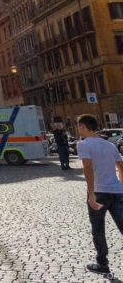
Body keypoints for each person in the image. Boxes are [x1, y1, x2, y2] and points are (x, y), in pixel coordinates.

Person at [77, 113, 123, 276]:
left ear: (83, 126)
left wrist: (91, 193)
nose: (79, 131)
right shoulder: (109, 145)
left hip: (99, 191)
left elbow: (88, 168)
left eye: (79, 127)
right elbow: (121, 167)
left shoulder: (84, 144)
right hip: (117, 191)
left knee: (98, 228)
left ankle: (102, 264)